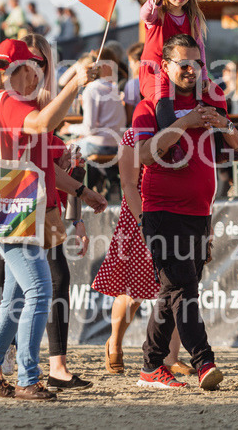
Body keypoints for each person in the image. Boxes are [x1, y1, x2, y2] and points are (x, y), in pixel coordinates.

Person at [0, 38, 99, 401]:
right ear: (22, 70)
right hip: (16, 207)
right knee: (40, 291)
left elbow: (44, 164)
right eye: (35, 68)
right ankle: (28, 378)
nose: (38, 75)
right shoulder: (10, 104)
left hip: (19, 205)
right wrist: (76, 82)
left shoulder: (5, 103)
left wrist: (81, 191)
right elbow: (44, 122)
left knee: (15, 297)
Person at [132, 34, 238, 391]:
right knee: (184, 287)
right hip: (161, 209)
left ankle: (151, 365)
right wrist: (186, 123)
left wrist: (221, 124)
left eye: (197, 63)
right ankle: (204, 360)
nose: (191, 70)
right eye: (183, 63)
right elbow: (145, 156)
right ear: (165, 67)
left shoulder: (211, 101)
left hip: (199, 211)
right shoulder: (149, 107)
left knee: (173, 291)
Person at [92, 129, 191, 378]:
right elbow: (128, 185)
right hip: (141, 215)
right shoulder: (132, 136)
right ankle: (114, 343)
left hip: (175, 213)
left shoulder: (180, 128)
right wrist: (142, 224)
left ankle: (171, 357)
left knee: (176, 286)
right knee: (132, 292)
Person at [139, 0, 221, 167]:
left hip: (184, 72)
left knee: (215, 93)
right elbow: (146, 15)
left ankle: (221, 142)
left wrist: (204, 76)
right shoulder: (159, 13)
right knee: (164, 99)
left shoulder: (192, 18)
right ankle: (171, 147)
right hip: (156, 72)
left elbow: (200, 48)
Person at [64, 45, 125, 159]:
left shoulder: (92, 89)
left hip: (99, 145)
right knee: (76, 143)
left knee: (62, 151)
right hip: (116, 144)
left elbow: (89, 129)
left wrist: (68, 128)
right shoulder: (113, 87)